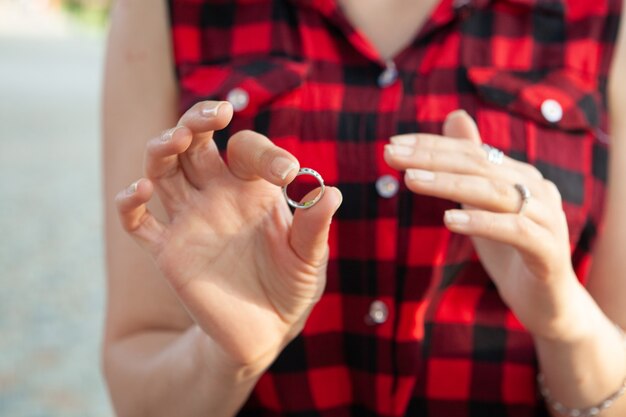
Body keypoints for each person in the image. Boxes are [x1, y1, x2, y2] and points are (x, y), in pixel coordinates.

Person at [101, 0, 626, 415]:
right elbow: (137, 388)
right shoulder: (167, 9)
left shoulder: (606, 17)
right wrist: (224, 356)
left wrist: (565, 322)